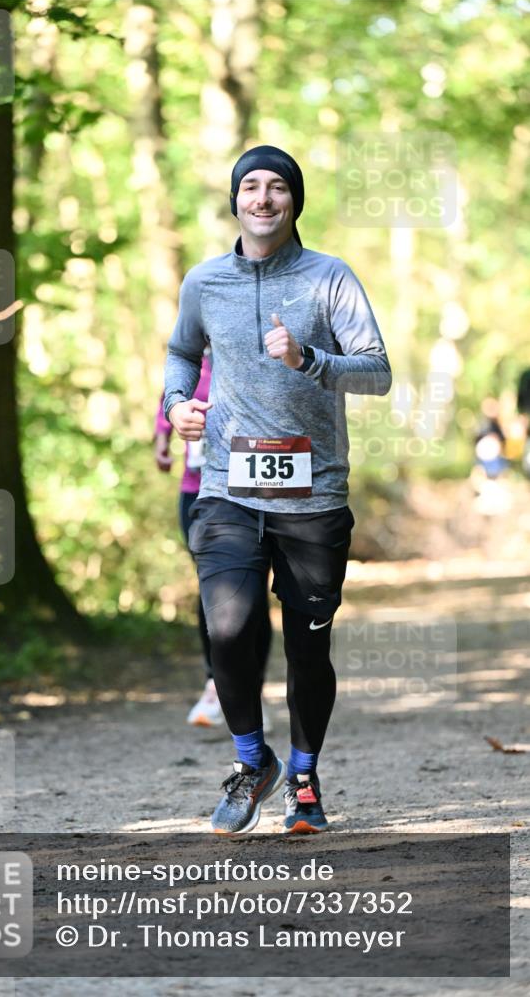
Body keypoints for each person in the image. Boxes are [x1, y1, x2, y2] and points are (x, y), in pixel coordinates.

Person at [163, 145, 391, 835]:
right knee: (227, 627)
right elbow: (181, 353)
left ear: (294, 200)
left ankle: (302, 776)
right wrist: (177, 404)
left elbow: (376, 373)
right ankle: (249, 760)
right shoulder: (204, 282)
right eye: (250, 187)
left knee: (306, 648)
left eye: (277, 188)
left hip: (313, 496)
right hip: (228, 488)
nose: (262, 199)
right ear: (235, 200)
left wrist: (308, 359)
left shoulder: (329, 279)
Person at [154, 351, 273, 727]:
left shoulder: (252, 357)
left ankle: (251, 690)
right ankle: (213, 685)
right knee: (213, 591)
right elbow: (170, 398)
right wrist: (162, 434)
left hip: (253, 492)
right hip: (198, 491)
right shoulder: (188, 359)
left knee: (254, 593)